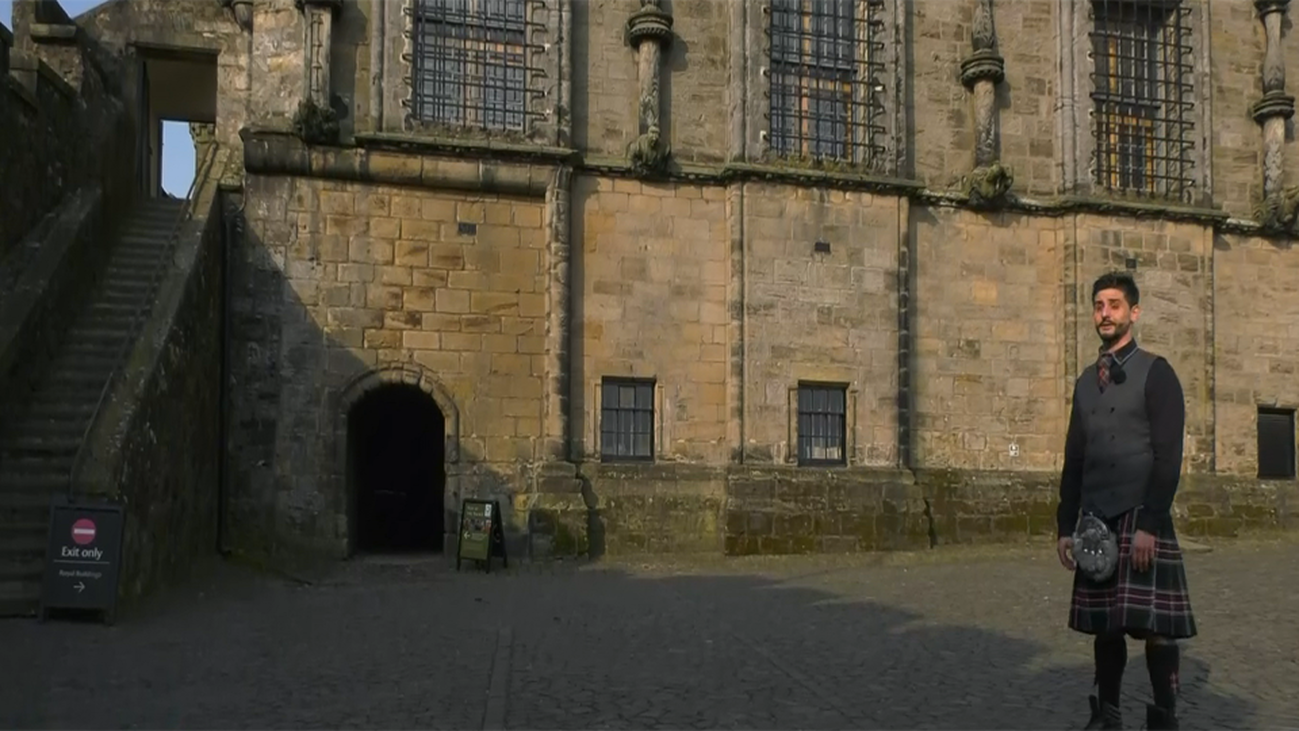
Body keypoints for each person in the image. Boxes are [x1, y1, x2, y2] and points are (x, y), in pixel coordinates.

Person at [1056, 272, 1197, 731]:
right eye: (1099, 305)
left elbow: (1168, 455)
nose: (1105, 313)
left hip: (1140, 514)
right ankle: (1109, 714)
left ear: (1133, 312)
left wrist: (1151, 524)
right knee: (1106, 625)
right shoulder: (1082, 383)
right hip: (1096, 519)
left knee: (1156, 626)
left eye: (1114, 305)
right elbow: (1074, 457)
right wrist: (1065, 525)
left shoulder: (1157, 373)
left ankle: (1164, 717)